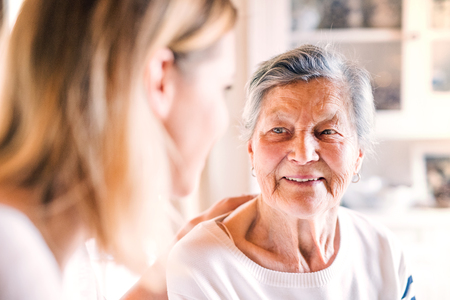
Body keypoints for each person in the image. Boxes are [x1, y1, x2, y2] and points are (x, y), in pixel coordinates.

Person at [0, 0, 251, 299]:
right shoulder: (13, 258)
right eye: (223, 86)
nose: (224, 121)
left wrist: (177, 262)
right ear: (161, 79)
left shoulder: (42, 244)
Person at [167, 45, 416, 299]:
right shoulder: (202, 265)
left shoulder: (383, 251)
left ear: (358, 155)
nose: (303, 154)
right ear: (252, 150)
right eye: (278, 130)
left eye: (328, 132)